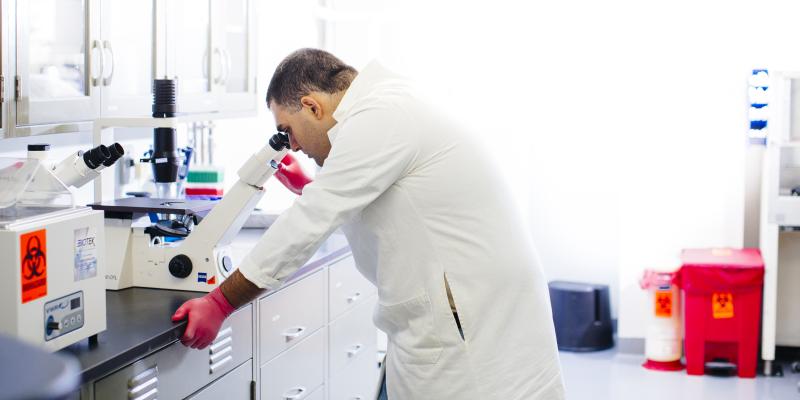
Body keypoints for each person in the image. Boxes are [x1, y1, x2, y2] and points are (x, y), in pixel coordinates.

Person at [171, 48, 565, 399]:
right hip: (464, 307)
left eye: (286, 131)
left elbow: (312, 219)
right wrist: (309, 185)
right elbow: (390, 199)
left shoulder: (381, 117)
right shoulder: (387, 104)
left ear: (312, 107)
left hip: (471, 326)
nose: (291, 145)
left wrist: (220, 302)